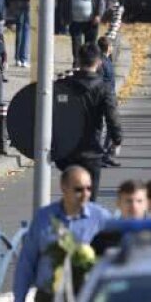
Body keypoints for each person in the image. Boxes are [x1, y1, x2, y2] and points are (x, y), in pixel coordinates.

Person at [10, 166, 111, 302]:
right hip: (49, 299)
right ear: (63, 188)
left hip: (85, 301)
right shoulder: (45, 218)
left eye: (88, 189)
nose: (85, 194)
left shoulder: (101, 219)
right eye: (78, 189)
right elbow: (27, 263)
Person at [54, 43, 123, 193]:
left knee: (70, 194)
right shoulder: (104, 88)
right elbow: (112, 117)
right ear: (99, 62)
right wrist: (117, 139)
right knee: (89, 196)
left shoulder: (62, 85)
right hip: (91, 150)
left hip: (66, 151)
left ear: (78, 60)